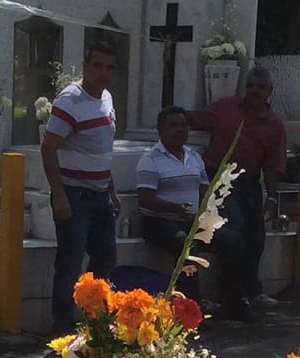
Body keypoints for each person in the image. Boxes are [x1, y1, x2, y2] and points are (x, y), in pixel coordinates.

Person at [187, 66, 288, 320]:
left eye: (260, 87)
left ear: (270, 92)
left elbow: (273, 164)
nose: (254, 91)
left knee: (256, 239)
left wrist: (272, 197)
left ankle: (252, 292)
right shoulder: (226, 107)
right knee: (236, 236)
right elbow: (193, 119)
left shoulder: (273, 124)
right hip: (219, 182)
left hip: (250, 184)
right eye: (251, 86)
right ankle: (235, 298)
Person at [43, 41, 120, 332]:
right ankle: (62, 328)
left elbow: (101, 147)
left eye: (109, 67)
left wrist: (111, 188)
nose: (103, 73)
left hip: (100, 193)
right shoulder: (69, 101)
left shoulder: (107, 99)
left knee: (105, 260)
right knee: (70, 263)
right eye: (97, 66)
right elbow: (49, 148)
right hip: (74, 194)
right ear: (86, 66)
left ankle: (95, 325)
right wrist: (59, 195)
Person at [136, 106, 215, 306]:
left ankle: (237, 301)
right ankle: (189, 308)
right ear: (161, 130)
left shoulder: (195, 157)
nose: (180, 130)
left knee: (233, 239)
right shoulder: (150, 159)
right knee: (186, 246)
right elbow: (145, 199)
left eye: (183, 125)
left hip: (191, 221)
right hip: (160, 222)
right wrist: (175, 208)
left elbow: (205, 190)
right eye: (173, 125)